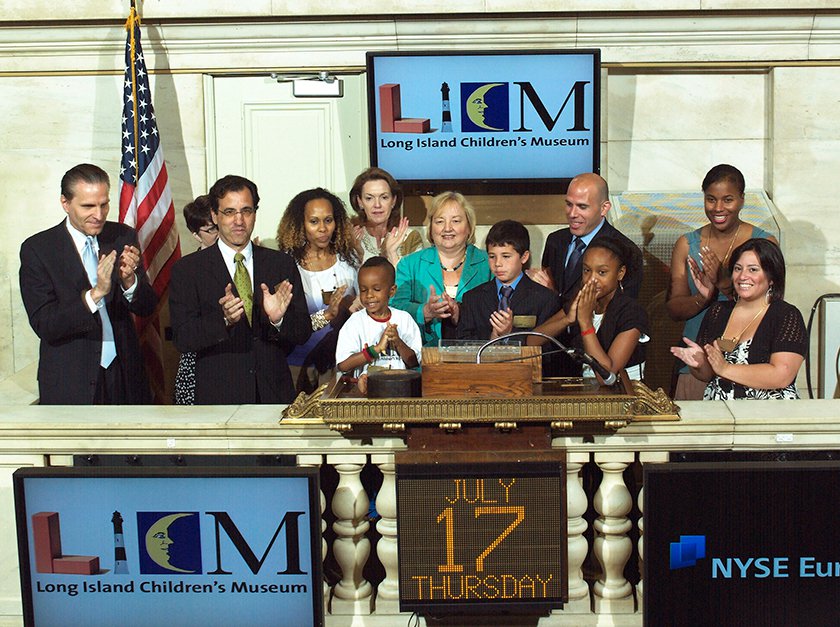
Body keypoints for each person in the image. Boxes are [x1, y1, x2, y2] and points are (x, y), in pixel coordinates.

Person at [19, 163, 157, 404]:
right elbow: (46, 324)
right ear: (65, 203)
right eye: (88, 206)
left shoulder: (122, 236)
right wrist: (95, 294)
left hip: (125, 375)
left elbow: (146, 307)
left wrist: (130, 282)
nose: (99, 215)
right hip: (71, 380)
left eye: (104, 204)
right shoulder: (39, 249)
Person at [168, 174, 311, 404]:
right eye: (229, 212)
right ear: (214, 215)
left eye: (246, 211)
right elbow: (183, 339)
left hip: (273, 396)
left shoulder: (280, 264)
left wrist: (278, 320)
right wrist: (223, 320)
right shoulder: (188, 269)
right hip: (219, 398)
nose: (239, 220)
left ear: (255, 213)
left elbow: (302, 332)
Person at [667, 163, 777, 400]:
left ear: (742, 199)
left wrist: (724, 282)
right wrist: (703, 298)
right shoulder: (687, 244)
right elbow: (674, 309)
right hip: (697, 365)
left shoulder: (764, 243)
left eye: (728, 200)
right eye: (711, 199)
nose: (718, 208)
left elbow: (772, 307)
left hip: (748, 367)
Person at [671, 238, 806, 400]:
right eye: (738, 268)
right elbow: (708, 375)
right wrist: (699, 363)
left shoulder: (786, 315)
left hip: (769, 413)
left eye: (753, 270)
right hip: (721, 410)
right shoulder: (718, 311)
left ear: (771, 278)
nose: (743, 276)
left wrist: (725, 368)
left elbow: (781, 375)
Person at [529, 237, 650, 381]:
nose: (592, 279)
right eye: (587, 270)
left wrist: (586, 323)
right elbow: (532, 341)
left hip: (622, 391)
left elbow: (606, 376)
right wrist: (567, 319)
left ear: (620, 273)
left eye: (602, 272)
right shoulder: (582, 300)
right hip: (587, 389)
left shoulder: (632, 312)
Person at [276, 187, 360, 394]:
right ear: (300, 224)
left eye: (328, 220)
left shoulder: (349, 260)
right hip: (296, 363)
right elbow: (284, 321)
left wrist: (352, 306)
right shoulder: (285, 264)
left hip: (339, 362)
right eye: (314, 222)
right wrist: (327, 313)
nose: (323, 228)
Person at [391, 191, 492, 346]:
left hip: (476, 352)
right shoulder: (409, 264)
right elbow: (394, 308)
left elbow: (499, 308)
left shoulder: (488, 263)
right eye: (440, 221)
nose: (447, 228)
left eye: (456, 221)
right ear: (431, 227)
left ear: (469, 226)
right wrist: (425, 311)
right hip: (423, 353)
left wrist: (461, 313)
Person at [533, 172, 643, 303]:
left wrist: (553, 297)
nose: (572, 214)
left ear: (604, 208)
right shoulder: (555, 241)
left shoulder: (627, 252)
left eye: (582, 206)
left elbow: (623, 308)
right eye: (569, 204)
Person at [458, 219, 561, 341]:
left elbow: (547, 346)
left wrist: (509, 334)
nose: (498, 263)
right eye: (492, 256)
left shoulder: (545, 299)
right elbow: (462, 342)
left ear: (524, 257)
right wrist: (493, 337)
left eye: (506, 256)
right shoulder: (472, 298)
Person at [336, 256, 422, 392]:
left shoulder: (404, 319)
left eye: (376, 289)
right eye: (363, 290)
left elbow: (414, 362)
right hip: (366, 392)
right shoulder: (355, 322)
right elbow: (343, 365)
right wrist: (376, 349)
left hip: (400, 390)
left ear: (392, 291)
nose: (369, 295)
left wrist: (398, 341)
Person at [174, 195, 218, 405]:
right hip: (198, 363)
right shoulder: (187, 270)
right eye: (211, 229)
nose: (219, 233)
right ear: (195, 235)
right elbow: (184, 331)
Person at [349, 167, 423, 266]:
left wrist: (392, 254)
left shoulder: (410, 237)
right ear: (360, 202)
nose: (377, 205)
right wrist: (358, 254)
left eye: (384, 197)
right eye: (369, 198)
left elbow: (416, 275)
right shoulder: (350, 237)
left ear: (393, 201)